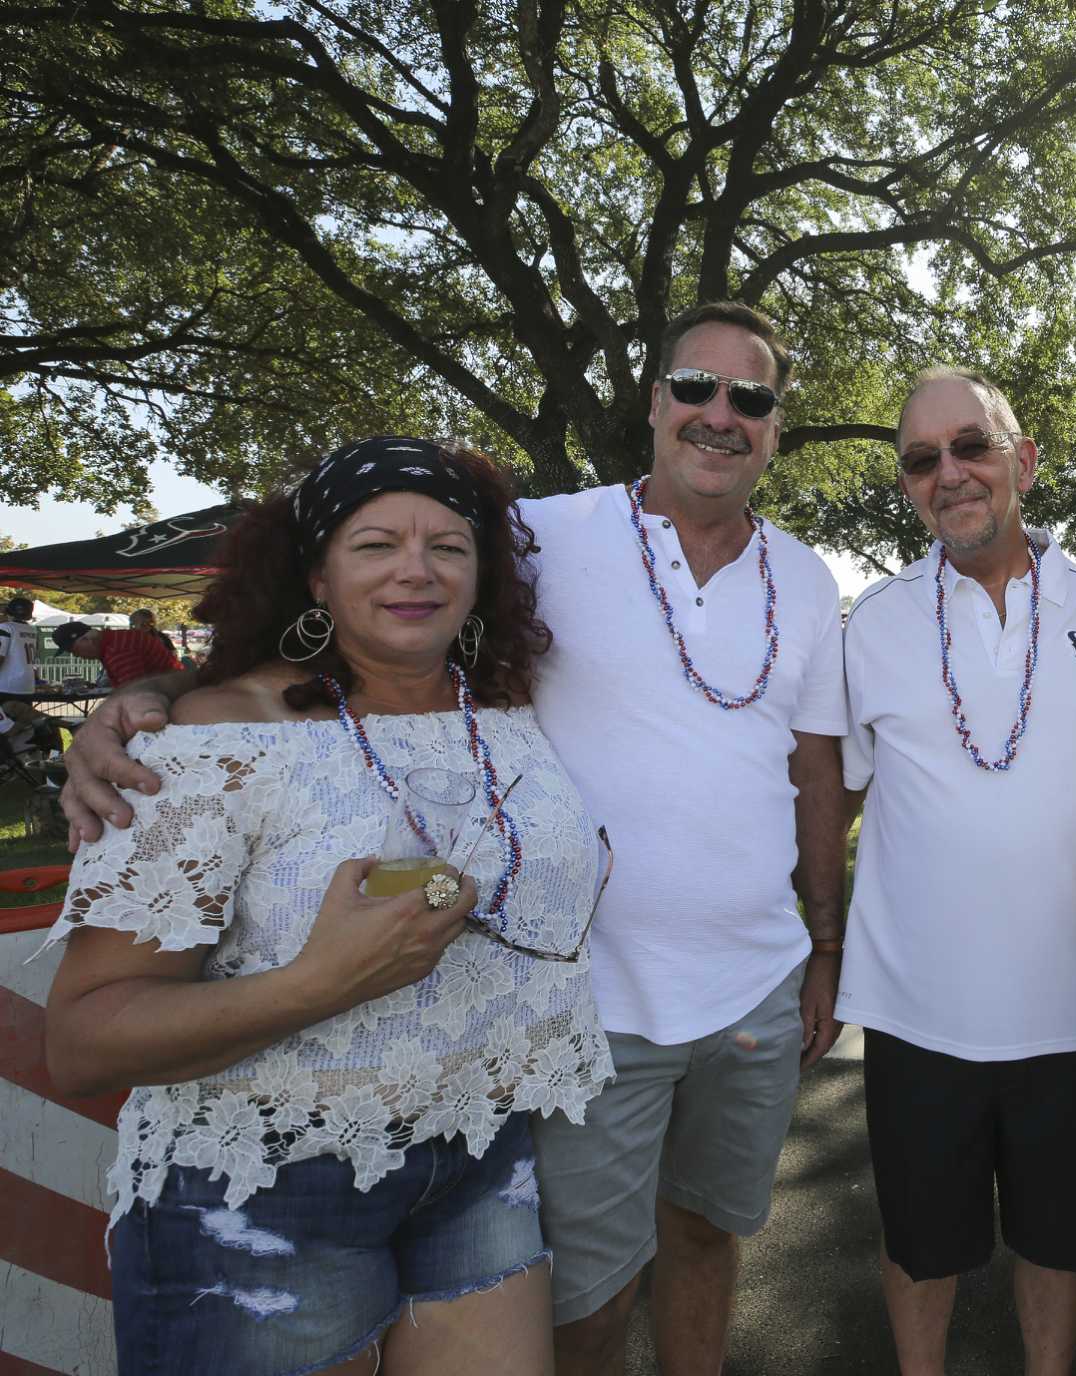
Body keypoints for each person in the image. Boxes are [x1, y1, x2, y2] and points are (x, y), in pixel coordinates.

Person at [58, 301, 851, 1376]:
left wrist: (824, 942)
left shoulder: (801, 581)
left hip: (615, 1056)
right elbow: (326, 660)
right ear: (657, 402)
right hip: (579, 1018)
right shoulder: (550, 532)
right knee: (591, 1292)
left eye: (749, 397)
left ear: (775, 423)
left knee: (709, 1232)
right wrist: (151, 694)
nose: (721, 413)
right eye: (696, 388)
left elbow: (812, 769)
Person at [40, 437, 614, 1376]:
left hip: (476, 1156)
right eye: (376, 544)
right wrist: (318, 982)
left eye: (449, 547)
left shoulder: (505, 707)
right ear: (315, 576)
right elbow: (83, 1039)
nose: (416, 571)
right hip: (262, 1191)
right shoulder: (219, 737)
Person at [839, 367, 1076, 1374]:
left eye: (970, 445)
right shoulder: (873, 624)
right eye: (922, 459)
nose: (950, 472)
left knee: (1057, 1244)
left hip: (1073, 1001)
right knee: (920, 1247)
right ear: (905, 486)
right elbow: (831, 789)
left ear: (1022, 459)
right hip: (916, 1008)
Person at [54, 616, 181, 688]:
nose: (76, 656)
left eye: (74, 650)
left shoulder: (117, 651)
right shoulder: (115, 640)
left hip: (170, 696)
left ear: (87, 640)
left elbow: (134, 693)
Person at [0, 595, 37, 707]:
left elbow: (0, 656)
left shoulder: (5, 628)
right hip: (27, 685)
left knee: (7, 723)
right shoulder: (32, 630)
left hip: (7, 686)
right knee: (25, 721)